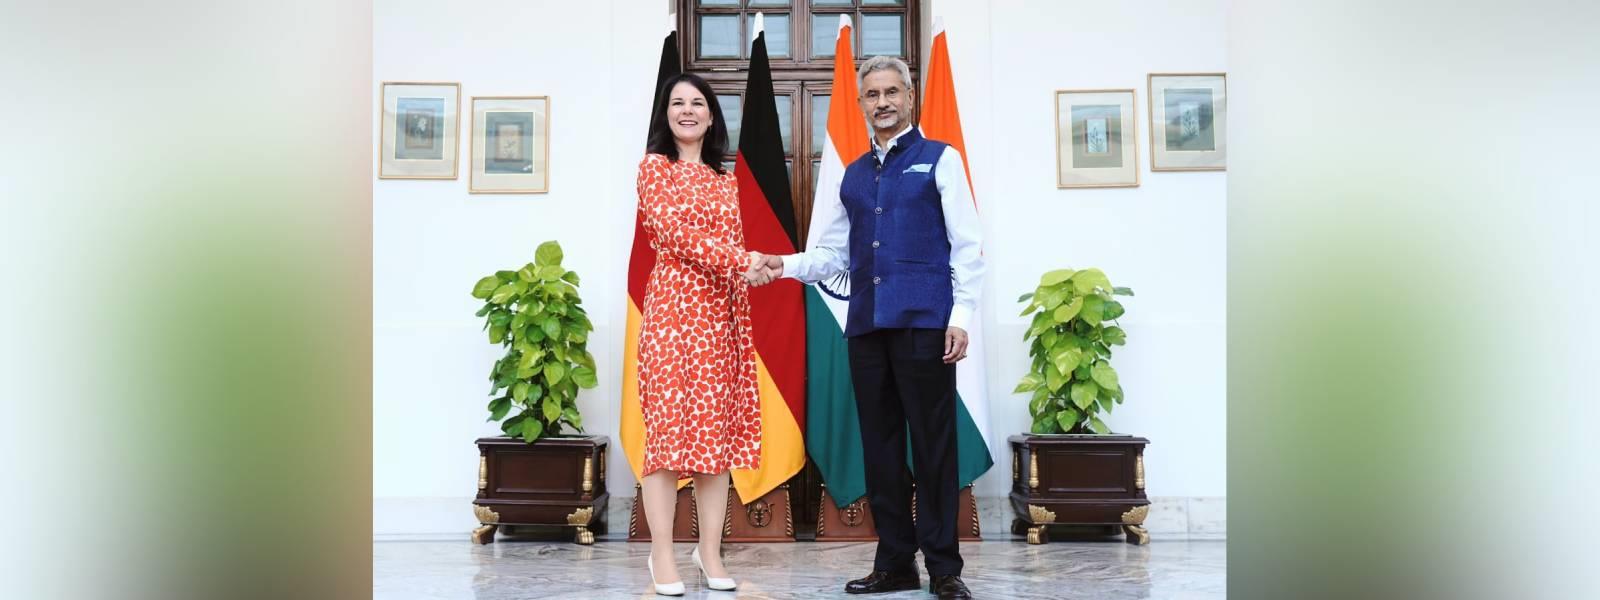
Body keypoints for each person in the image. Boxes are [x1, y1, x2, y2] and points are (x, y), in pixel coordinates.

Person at [756, 56, 983, 600]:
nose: (881, 102)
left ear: (910, 97)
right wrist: (781, 265)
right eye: (872, 94)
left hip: (926, 325)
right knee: (880, 449)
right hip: (866, 329)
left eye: (891, 92)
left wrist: (961, 317)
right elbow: (832, 254)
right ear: (861, 104)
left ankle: (944, 570)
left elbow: (969, 245)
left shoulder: (940, 160)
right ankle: (896, 563)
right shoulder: (853, 175)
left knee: (932, 448)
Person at [634, 72, 774, 597]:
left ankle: (709, 550)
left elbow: (735, 255)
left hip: (721, 316)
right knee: (668, 438)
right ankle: (662, 553)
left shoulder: (726, 180)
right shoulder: (654, 169)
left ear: (712, 117)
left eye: (698, 103)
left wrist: (751, 273)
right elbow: (673, 233)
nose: (688, 110)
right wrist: (744, 260)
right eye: (678, 103)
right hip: (672, 313)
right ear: (666, 114)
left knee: (714, 439)